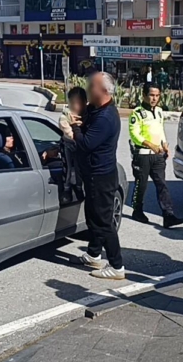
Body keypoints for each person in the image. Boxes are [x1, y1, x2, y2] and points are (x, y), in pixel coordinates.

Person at [69, 72, 125, 280]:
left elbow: (85, 144)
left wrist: (74, 126)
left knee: (103, 221)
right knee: (92, 216)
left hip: (101, 176)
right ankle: (94, 254)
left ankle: (117, 266)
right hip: (93, 174)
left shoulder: (106, 117)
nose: (87, 90)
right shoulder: (96, 109)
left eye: (90, 86)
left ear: (102, 90)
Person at [129, 83, 183, 228]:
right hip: (143, 155)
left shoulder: (159, 111)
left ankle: (168, 215)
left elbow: (160, 130)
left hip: (158, 156)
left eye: (157, 95)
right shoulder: (137, 113)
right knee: (141, 185)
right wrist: (150, 145)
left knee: (162, 185)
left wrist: (164, 143)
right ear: (144, 95)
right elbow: (134, 134)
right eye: (151, 95)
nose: (154, 98)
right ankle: (137, 210)